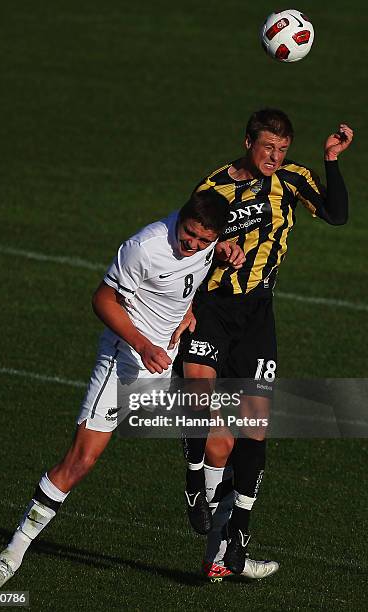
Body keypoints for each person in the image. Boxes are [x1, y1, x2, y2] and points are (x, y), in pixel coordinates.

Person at [0, 187, 277, 592]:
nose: (193, 245)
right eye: (189, 235)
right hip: (128, 362)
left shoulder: (210, 243)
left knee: (221, 442)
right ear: (181, 218)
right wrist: (143, 343)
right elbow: (102, 300)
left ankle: (218, 557)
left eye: (205, 241)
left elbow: (189, 279)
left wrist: (188, 309)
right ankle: (11, 555)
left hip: (169, 355)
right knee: (80, 461)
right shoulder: (144, 246)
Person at [177, 108, 353, 581]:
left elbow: (337, 214)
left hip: (257, 317)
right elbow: (187, 243)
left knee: (253, 428)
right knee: (202, 407)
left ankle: (237, 535)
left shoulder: (293, 180)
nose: (275, 157)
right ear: (248, 141)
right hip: (211, 308)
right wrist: (195, 288)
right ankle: (195, 478)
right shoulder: (213, 189)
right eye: (267, 147)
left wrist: (331, 160)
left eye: (282, 149)